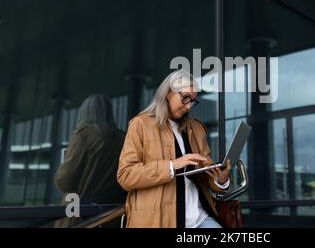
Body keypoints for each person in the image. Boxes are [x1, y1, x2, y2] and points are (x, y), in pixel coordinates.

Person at [117, 70, 231, 228]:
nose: (189, 106)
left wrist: (221, 180)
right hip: (158, 222)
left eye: (192, 101)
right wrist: (171, 165)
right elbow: (125, 176)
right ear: (168, 93)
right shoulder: (140, 125)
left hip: (200, 219)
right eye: (185, 98)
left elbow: (207, 176)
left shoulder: (197, 129)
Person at [54, 95, 127, 227]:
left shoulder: (83, 135)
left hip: (79, 215)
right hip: (111, 216)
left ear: (84, 112)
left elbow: (65, 181)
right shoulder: (123, 138)